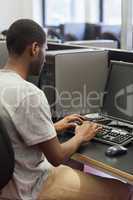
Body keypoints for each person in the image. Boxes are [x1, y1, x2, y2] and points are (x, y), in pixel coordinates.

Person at [0, 19, 132, 200]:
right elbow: (57, 157)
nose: (45, 57)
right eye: (46, 49)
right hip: (31, 185)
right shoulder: (29, 93)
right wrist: (81, 136)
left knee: (75, 165)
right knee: (124, 190)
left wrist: (53, 127)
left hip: (8, 183)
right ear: (35, 48)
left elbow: (10, 133)